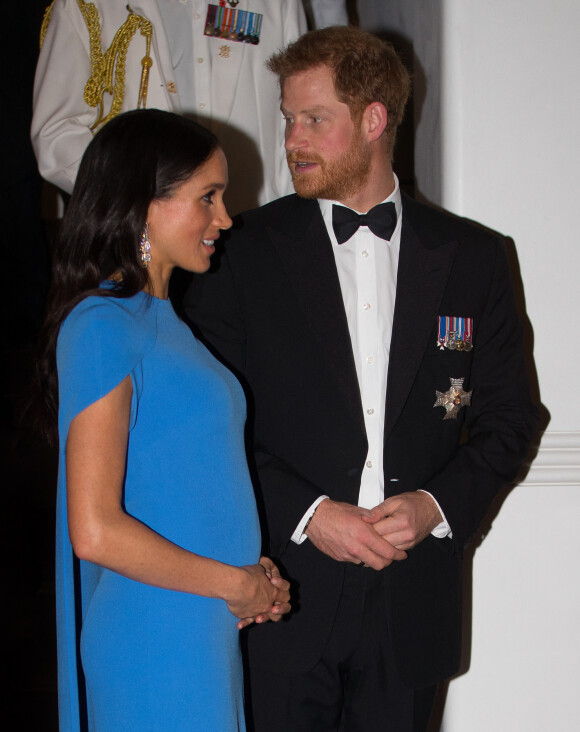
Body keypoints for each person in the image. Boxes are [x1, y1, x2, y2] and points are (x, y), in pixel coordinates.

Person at [184, 26, 538, 732]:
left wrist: (434, 506)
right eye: (288, 118)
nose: (292, 140)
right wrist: (312, 514)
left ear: (374, 119)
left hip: (414, 607)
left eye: (314, 119)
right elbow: (208, 424)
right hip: (282, 591)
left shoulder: (475, 258)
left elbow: (513, 419)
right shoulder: (238, 255)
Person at [35, 108, 290, 731]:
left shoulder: (168, 325)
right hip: (154, 642)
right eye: (208, 197)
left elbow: (187, 484)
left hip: (198, 632)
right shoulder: (102, 325)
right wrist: (234, 582)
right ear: (144, 204)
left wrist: (251, 577)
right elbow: (93, 530)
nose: (225, 218)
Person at [31, 0, 307, 214]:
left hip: (251, 224)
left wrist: (288, 220)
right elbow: (56, 135)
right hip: (140, 240)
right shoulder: (89, 6)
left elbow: (301, 115)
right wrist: (142, 197)